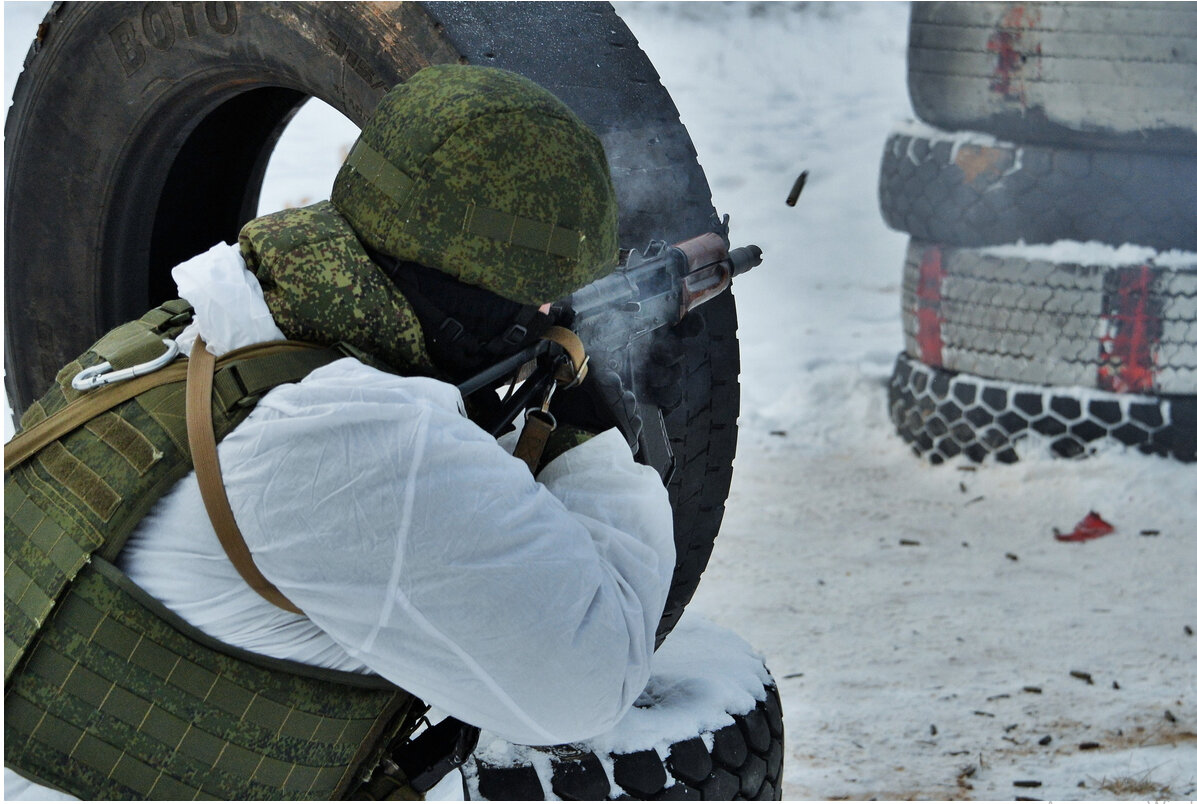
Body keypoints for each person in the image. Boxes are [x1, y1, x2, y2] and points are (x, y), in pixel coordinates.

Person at [4, 64, 675, 800]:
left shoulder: (236, 320)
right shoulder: (365, 443)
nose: (548, 316)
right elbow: (590, 684)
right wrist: (585, 429)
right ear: (479, 296)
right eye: (543, 301)